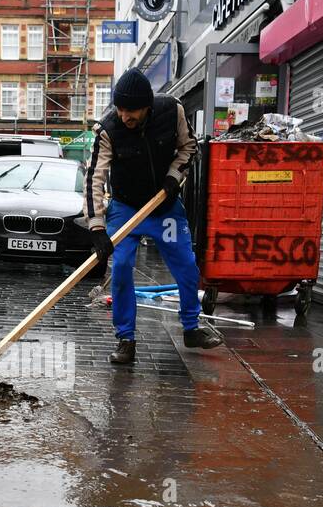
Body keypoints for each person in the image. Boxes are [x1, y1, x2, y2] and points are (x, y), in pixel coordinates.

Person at [85, 67, 221, 365]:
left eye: (131, 111)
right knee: (120, 267)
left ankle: (191, 327)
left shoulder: (173, 111)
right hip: (125, 207)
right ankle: (126, 339)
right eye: (120, 110)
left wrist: (174, 177)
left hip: (164, 206)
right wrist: (97, 227)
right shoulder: (108, 129)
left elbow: (189, 147)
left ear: (147, 106)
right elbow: (95, 177)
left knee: (186, 265)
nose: (125, 117)